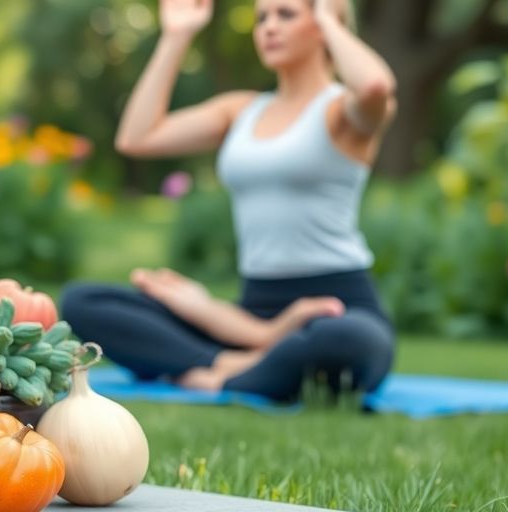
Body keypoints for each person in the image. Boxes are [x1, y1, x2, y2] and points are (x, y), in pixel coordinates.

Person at [61, 0, 397, 401]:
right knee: (83, 302)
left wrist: (328, 15)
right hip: (248, 317)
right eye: (261, 18)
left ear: (325, 22)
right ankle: (245, 361)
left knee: (346, 340)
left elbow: (376, 84)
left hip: (337, 306)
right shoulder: (241, 110)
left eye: (286, 14)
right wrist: (176, 35)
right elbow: (136, 137)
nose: (269, 27)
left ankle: (216, 373)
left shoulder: (345, 112)